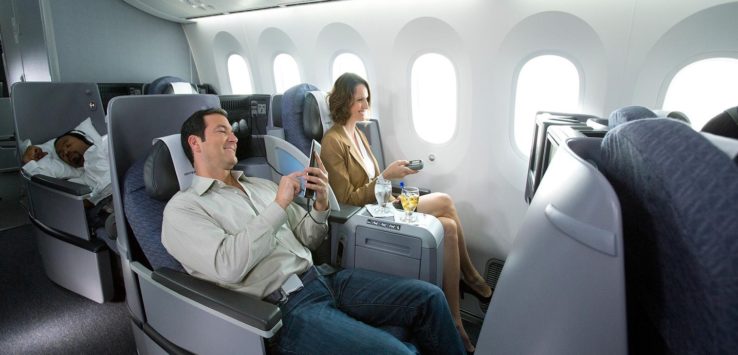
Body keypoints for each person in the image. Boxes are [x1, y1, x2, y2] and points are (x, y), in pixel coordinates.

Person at [161, 108, 465, 355]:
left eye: (232, 130)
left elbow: (308, 238)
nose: (233, 138)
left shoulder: (261, 186)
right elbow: (227, 266)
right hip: (285, 309)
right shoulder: (183, 210)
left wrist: (320, 204)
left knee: (429, 298)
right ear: (194, 143)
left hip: (323, 278)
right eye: (221, 131)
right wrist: (278, 205)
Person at [320, 72, 492, 353]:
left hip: (384, 202)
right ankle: (472, 279)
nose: (365, 105)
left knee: (447, 227)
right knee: (446, 201)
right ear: (343, 102)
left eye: (366, 99)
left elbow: (374, 182)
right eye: (358, 101)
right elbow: (346, 198)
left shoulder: (359, 133)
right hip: (367, 214)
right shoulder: (333, 141)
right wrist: (386, 176)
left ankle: (456, 322)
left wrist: (391, 179)